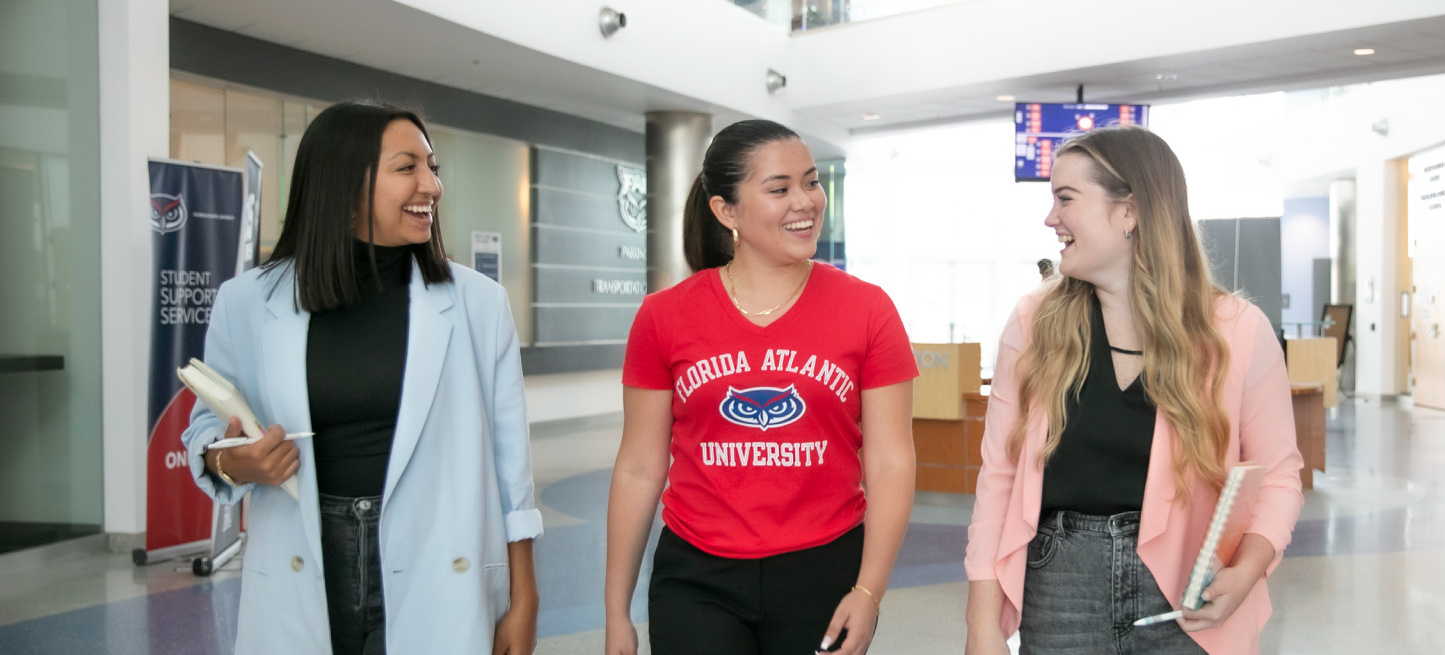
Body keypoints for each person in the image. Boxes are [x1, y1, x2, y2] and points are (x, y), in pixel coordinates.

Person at [182, 101, 541, 655]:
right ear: (344, 184)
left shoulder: (479, 304)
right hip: (304, 564)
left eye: (433, 167)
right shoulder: (249, 302)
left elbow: (510, 469)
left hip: (439, 564)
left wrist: (524, 601)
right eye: (407, 168)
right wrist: (236, 460)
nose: (432, 186)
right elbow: (208, 427)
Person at [963, 126, 1305, 654]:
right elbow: (998, 481)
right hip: (1060, 593)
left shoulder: (1237, 330)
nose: (1051, 218)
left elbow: (1280, 476)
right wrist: (981, 626)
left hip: (1188, 593)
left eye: (1066, 199)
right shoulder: (1034, 325)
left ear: (1130, 212)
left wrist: (1247, 569)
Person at [605, 119, 918, 655]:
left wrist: (869, 592)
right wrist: (615, 613)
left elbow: (891, 462)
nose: (806, 201)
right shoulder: (665, 316)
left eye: (811, 181)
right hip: (697, 575)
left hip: (824, 567)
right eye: (779, 189)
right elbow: (639, 465)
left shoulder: (869, 310)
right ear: (727, 211)